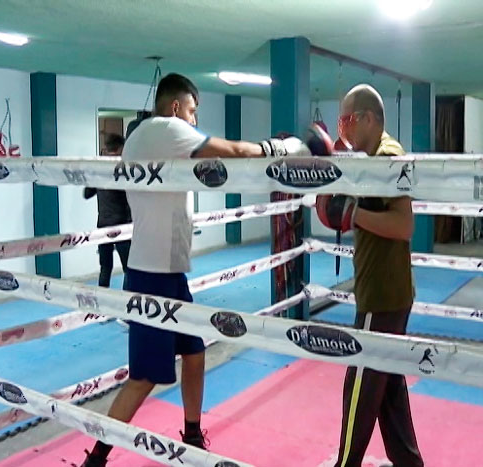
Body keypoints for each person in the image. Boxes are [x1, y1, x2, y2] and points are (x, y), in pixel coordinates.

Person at [81, 73, 331, 467]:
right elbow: (230, 148)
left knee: (195, 353)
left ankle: (192, 434)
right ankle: (96, 457)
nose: (195, 122)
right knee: (144, 378)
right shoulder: (164, 128)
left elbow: (219, 162)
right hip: (151, 276)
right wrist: (284, 147)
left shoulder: (153, 138)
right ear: (176, 107)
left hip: (169, 272)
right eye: (193, 112)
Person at [316, 84, 423, 467]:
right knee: (388, 389)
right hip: (383, 292)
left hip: (382, 296)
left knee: (360, 386)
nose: (342, 128)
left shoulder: (387, 156)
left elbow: (404, 224)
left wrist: (354, 215)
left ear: (368, 118)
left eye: (346, 119)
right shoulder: (369, 156)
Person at [83, 133, 131, 288]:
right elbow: (130, 195)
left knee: (105, 267)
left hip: (103, 223)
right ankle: (130, 302)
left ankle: (101, 302)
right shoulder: (122, 169)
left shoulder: (99, 170)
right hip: (121, 225)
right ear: (120, 148)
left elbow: (87, 193)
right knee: (128, 268)